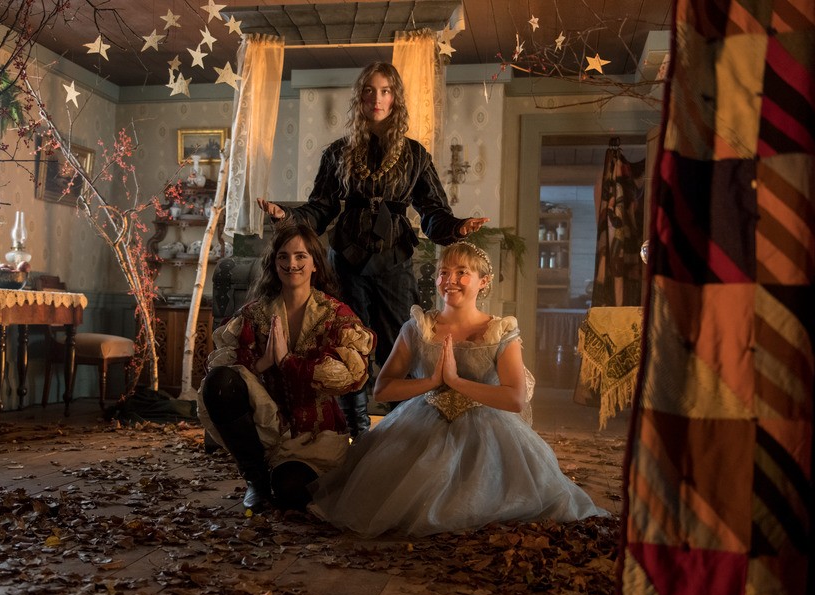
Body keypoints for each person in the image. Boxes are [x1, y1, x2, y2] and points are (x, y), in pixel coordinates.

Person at [307, 241, 608, 537]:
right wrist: (432, 382)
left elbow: (515, 398)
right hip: (422, 423)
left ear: (483, 281)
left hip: (488, 430)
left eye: (462, 272)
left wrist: (456, 381)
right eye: (443, 272)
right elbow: (382, 390)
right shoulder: (418, 328)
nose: (449, 280)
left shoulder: (500, 331)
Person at [257, 62, 488, 437]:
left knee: (403, 344)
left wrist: (457, 227)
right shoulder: (338, 153)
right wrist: (287, 216)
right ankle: (355, 430)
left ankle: (404, 429)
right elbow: (321, 209)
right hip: (346, 263)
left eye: (384, 91)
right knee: (346, 344)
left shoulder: (414, 155)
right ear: (359, 97)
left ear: (394, 98)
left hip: (394, 262)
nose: (376, 99)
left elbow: (433, 214)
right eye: (368, 91)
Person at [198, 223, 376, 512]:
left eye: (300, 256)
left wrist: (288, 363)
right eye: (283, 256)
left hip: (315, 437)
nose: (291, 264)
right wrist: (262, 364)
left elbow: (349, 379)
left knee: (291, 492)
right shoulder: (256, 313)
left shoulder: (334, 315)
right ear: (274, 263)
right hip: (266, 426)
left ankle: (286, 477)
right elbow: (222, 365)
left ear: (315, 264)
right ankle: (255, 479)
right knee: (219, 382)